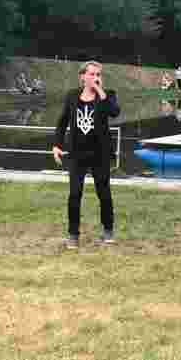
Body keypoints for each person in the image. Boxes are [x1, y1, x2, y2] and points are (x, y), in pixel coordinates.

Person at [51, 61, 121, 249]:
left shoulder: (108, 95)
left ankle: (108, 231)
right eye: (92, 74)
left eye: (98, 74)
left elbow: (114, 112)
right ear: (82, 76)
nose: (96, 78)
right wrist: (57, 145)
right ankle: (73, 235)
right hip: (77, 153)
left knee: (103, 193)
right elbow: (62, 122)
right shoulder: (72, 96)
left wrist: (99, 91)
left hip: (100, 153)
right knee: (75, 194)